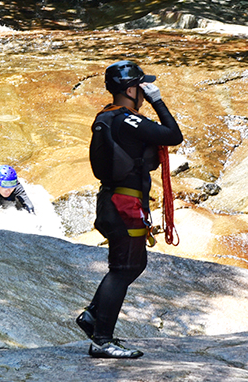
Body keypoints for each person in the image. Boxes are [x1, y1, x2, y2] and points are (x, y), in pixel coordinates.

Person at [76, 60, 183, 359]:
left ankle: (93, 316)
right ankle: (102, 341)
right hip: (123, 204)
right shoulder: (127, 120)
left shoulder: (108, 117)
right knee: (123, 269)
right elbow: (173, 135)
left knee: (133, 264)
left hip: (114, 201)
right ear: (133, 89)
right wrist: (158, 101)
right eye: (142, 88)